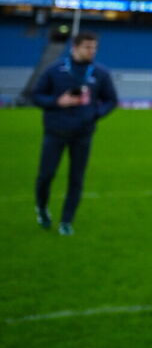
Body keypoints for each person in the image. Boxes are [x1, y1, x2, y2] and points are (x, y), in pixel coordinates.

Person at [31, 30, 118, 235]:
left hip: (83, 134)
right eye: (88, 47)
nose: (92, 51)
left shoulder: (100, 73)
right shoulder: (55, 70)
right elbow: (36, 96)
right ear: (75, 48)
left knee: (76, 179)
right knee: (46, 176)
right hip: (55, 132)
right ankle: (42, 208)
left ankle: (66, 221)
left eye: (94, 47)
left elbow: (112, 100)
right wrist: (57, 102)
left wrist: (95, 114)